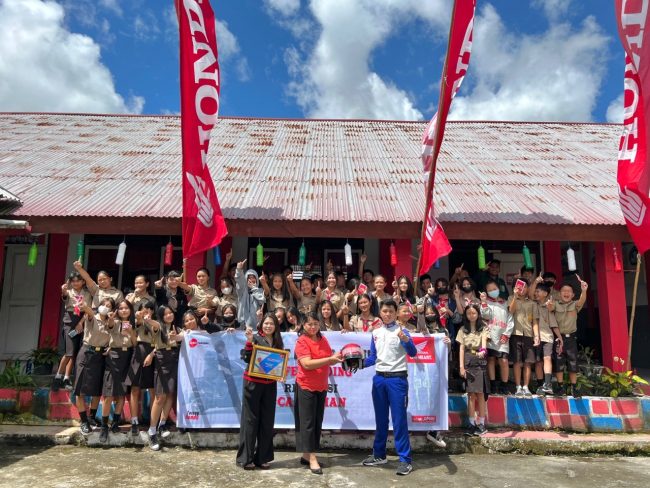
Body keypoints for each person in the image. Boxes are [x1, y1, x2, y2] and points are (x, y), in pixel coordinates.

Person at [362, 299, 417, 476]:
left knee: (399, 421)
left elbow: (413, 352)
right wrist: (358, 363)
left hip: (397, 380)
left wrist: (406, 340)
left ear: (396, 313)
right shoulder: (376, 332)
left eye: (391, 311)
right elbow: (373, 357)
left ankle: (405, 460)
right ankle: (379, 455)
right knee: (381, 420)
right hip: (379, 379)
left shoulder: (402, 331)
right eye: (384, 311)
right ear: (380, 313)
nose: (387, 314)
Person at [294, 312, 343, 475]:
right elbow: (307, 364)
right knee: (307, 423)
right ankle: (312, 458)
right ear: (303, 325)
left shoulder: (323, 339)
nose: (313, 327)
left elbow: (328, 358)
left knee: (316, 422)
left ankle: (306, 455)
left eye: (316, 323)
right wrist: (329, 360)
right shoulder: (302, 341)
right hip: (306, 386)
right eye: (309, 324)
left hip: (321, 386)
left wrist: (338, 357)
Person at [237, 313, 284, 469]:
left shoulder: (278, 341)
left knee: (267, 421)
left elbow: (278, 363)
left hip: (270, 385)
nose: (268, 326)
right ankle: (246, 459)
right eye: (266, 323)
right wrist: (249, 341)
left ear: (276, 326)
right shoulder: (255, 338)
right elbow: (246, 357)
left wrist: (280, 373)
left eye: (271, 323)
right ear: (261, 325)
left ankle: (262, 457)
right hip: (252, 384)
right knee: (250, 421)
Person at [99, 299, 137, 443]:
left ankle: (115, 422)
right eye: (121, 308)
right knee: (109, 394)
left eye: (126, 308)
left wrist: (131, 332)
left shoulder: (134, 324)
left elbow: (135, 343)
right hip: (114, 356)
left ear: (130, 310)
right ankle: (104, 426)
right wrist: (110, 319)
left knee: (121, 393)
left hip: (127, 357)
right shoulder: (113, 322)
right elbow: (109, 326)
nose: (123, 310)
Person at [146, 305, 182, 450]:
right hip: (162, 359)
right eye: (165, 314)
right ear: (161, 316)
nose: (169, 315)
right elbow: (154, 324)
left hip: (174, 358)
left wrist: (177, 336)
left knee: (169, 394)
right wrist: (148, 320)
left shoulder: (177, 328)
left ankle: (162, 424)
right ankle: (152, 431)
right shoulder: (158, 326)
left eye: (170, 313)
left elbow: (185, 336)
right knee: (160, 397)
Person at [73, 301, 111, 435]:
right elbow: (89, 311)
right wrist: (84, 306)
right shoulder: (93, 318)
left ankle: (92, 417)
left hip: (101, 356)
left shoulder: (112, 323)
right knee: (80, 389)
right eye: (104, 305)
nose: (106, 307)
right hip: (87, 353)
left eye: (109, 306)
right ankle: (84, 421)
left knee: (97, 389)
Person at [418, 301, 451, 448]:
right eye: (427, 313)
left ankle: (434, 430)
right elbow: (421, 326)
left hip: (439, 370)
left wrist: (448, 343)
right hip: (422, 370)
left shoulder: (444, 330)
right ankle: (417, 426)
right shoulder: (422, 330)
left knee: (438, 399)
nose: (430, 315)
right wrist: (420, 313)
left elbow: (447, 353)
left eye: (432, 312)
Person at [53, 271, 93, 391]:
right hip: (70, 321)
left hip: (83, 321)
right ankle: (57, 377)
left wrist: (81, 323)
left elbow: (88, 310)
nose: (75, 283)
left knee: (75, 352)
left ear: (83, 282)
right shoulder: (68, 292)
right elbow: (65, 297)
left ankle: (66, 378)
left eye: (78, 281)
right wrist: (63, 291)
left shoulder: (87, 294)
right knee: (69, 352)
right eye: (73, 281)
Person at [550, 276, 589, 397]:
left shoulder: (575, 305)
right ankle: (560, 387)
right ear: (559, 294)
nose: (566, 293)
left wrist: (584, 290)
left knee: (573, 362)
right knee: (559, 362)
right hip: (558, 338)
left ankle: (574, 388)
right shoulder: (555, 304)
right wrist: (549, 304)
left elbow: (582, 300)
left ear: (573, 295)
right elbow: (549, 307)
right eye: (564, 291)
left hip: (571, 338)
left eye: (569, 291)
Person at [457, 304, 490, 436]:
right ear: (466, 315)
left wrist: (483, 351)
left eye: (474, 313)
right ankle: (471, 423)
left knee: (480, 393)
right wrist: (461, 367)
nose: (471, 315)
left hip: (479, 361)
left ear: (478, 314)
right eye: (469, 313)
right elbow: (461, 349)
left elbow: (484, 344)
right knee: (471, 394)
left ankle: (481, 423)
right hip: (468, 360)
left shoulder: (483, 328)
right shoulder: (462, 329)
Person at [126, 300, 157, 435]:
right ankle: (134, 421)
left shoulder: (157, 323)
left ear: (153, 311)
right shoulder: (137, 321)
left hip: (153, 354)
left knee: (153, 389)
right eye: (144, 309)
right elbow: (137, 323)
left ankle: (153, 421)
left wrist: (152, 355)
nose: (146, 311)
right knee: (135, 388)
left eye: (149, 309)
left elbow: (160, 342)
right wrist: (139, 317)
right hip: (138, 353)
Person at [480, 280, 514, 395]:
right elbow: (485, 315)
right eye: (489, 290)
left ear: (499, 289)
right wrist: (483, 302)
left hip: (503, 336)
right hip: (491, 336)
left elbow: (510, 319)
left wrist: (507, 334)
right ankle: (493, 385)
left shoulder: (505, 303)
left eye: (494, 289)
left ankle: (504, 385)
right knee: (491, 360)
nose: (492, 291)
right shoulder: (486, 303)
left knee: (504, 361)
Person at [508, 279, 538, 397]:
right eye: (520, 286)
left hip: (528, 335)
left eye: (525, 287)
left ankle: (526, 386)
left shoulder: (532, 303)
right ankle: (518, 387)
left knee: (528, 362)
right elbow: (511, 311)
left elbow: (535, 321)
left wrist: (536, 336)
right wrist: (515, 296)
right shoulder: (511, 298)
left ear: (528, 289)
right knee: (517, 361)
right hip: (515, 333)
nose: (522, 289)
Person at [533, 283, 561, 396]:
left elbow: (553, 324)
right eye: (535, 291)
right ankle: (540, 385)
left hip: (547, 336)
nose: (536, 293)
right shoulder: (533, 304)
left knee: (547, 358)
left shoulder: (549, 306)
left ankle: (548, 384)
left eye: (538, 291)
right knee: (538, 361)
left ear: (545, 293)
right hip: (535, 337)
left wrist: (559, 337)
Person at [235, 259, 266, 329]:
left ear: (257, 279)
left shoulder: (260, 290)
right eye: (249, 278)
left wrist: (254, 288)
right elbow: (239, 281)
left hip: (256, 324)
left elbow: (262, 301)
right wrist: (239, 270)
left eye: (253, 277)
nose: (251, 279)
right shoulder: (242, 290)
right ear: (245, 279)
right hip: (242, 325)